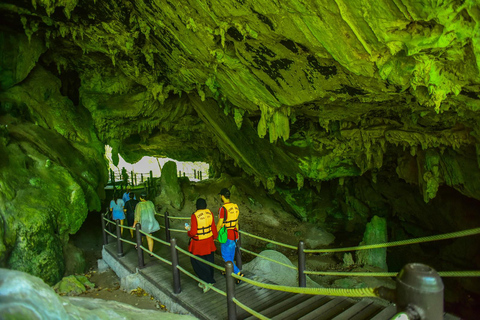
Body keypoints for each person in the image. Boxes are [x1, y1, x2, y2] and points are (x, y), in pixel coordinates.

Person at [186, 198, 218, 293]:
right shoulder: (210, 213)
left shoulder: (195, 215)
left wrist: (188, 230)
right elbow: (213, 227)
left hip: (198, 243)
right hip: (209, 241)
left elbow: (193, 232)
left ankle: (207, 281)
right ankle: (210, 279)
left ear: (197, 206)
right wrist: (215, 236)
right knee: (209, 260)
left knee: (197, 262)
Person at [216, 188, 244, 283]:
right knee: (230, 255)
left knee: (225, 256)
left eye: (220, 195)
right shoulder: (235, 206)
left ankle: (238, 273)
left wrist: (215, 233)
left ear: (222, 196)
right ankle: (227, 270)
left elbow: (220, 224)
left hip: (226, 234)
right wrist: (238, 234)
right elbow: (236, 222)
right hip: (234, 234)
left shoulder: (223, 209)